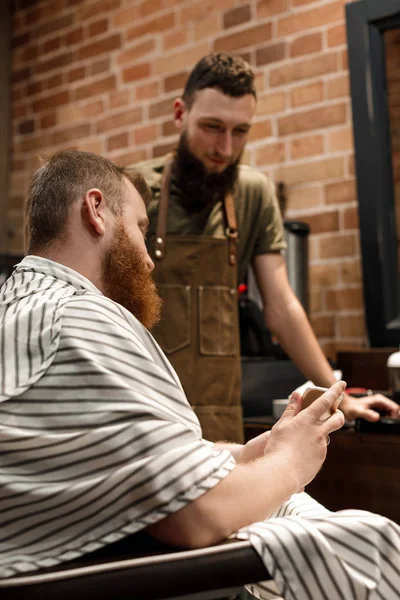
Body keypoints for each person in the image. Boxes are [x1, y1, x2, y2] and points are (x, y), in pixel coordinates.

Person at [0, 150, 399, 600]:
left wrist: (251, 455)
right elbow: (196, 514)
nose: (150, 261)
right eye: (139, 228)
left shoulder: (24, 305)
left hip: (92, 552)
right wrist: (292, 462)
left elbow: (114, 460)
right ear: (96, 211)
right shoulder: (76, 316)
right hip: (116, 576)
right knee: (370, 541)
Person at [134, 52, 400, 443]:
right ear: (179, 114)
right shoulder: (135, 188)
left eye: (240, 131)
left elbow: (280, 306)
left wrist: (335, 396)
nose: (225, 147)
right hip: (143, 405)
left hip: (217, 409)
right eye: (212, 126)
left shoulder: (253, 194)